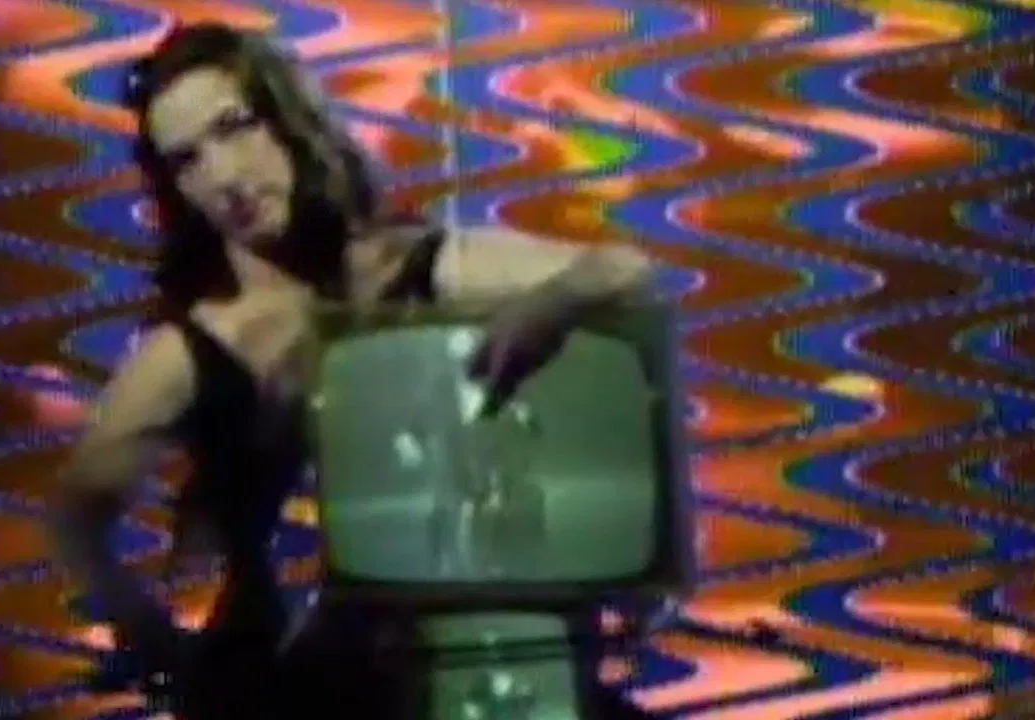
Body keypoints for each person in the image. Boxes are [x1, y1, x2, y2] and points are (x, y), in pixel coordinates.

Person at [48, 21, 668, 719]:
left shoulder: (415, 264)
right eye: (187, 159)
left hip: (453, 666)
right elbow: (75, 517)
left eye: (234, 128)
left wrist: (548, 308)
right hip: (291, 693)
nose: (223, 176)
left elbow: (623, 274)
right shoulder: (193, 349)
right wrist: (149, 636)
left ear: (288, 120)